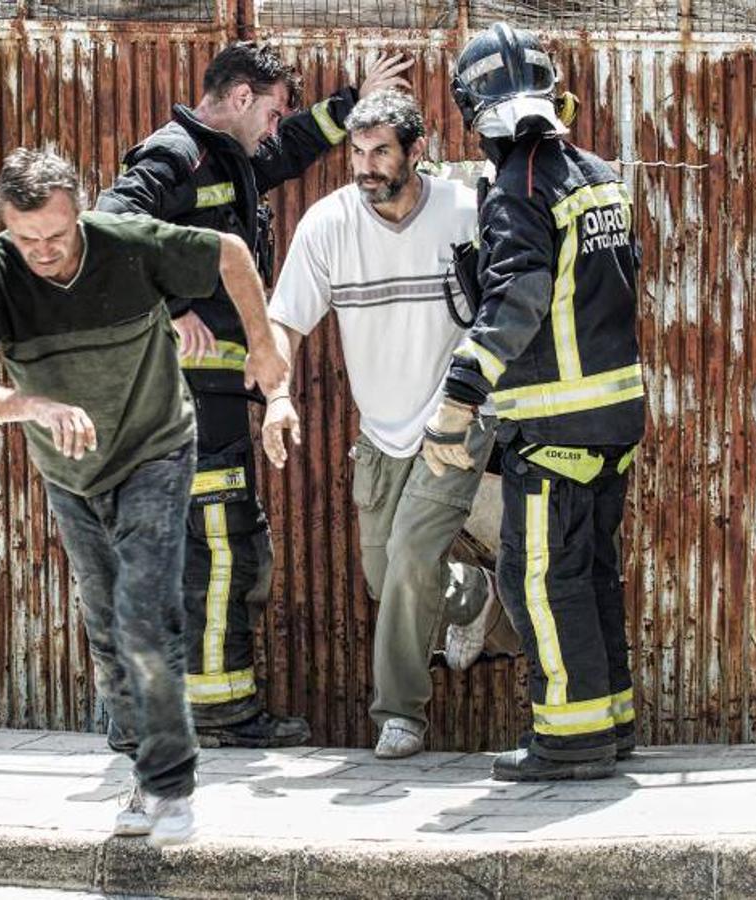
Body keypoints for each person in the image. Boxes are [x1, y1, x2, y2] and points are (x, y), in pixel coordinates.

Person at [0, 146, 286, 846]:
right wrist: (30, 406)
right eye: (25, 237)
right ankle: (139, 764)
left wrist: (264, 345)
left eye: (57, 236)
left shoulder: (127, 243)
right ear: (6, 226)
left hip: (156, 446)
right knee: (106, 627)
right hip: (71, 472)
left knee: (141, 606)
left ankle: (171, 783)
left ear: (80, 213)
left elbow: (227, 252)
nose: (43, 252)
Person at [96, 43, 411, 749]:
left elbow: (290, 149)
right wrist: (166, 310)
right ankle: (216, 711)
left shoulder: (226, 159)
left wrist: (353, 101)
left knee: (193, 548)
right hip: (178, 395)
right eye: (269, 110)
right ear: (240, 97)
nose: (273, 128)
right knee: (217, 545)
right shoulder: (174, 156)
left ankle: (144, 712)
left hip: (208, 395)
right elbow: (104, 229)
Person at [424, 23, 645, 782]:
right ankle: (609, 721)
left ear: (471, 108)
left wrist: (458, 400)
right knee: (590, 572)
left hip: (555, 423)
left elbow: (519, 295)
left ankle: (570, 738)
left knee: (540, 576)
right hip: (613, 418)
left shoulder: (519, 186)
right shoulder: (596, 173)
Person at [261, 90, 508, 760]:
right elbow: (284, 321)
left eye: (380, 152)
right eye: (357, 152)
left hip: (457, 422)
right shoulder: (328, 224)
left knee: (407, 560)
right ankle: (472, 595)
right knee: (385, 575)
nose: (365, 167)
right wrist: (279, 396)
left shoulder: (465, 212)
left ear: (416, 151)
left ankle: (400, 714)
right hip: (380, 434)